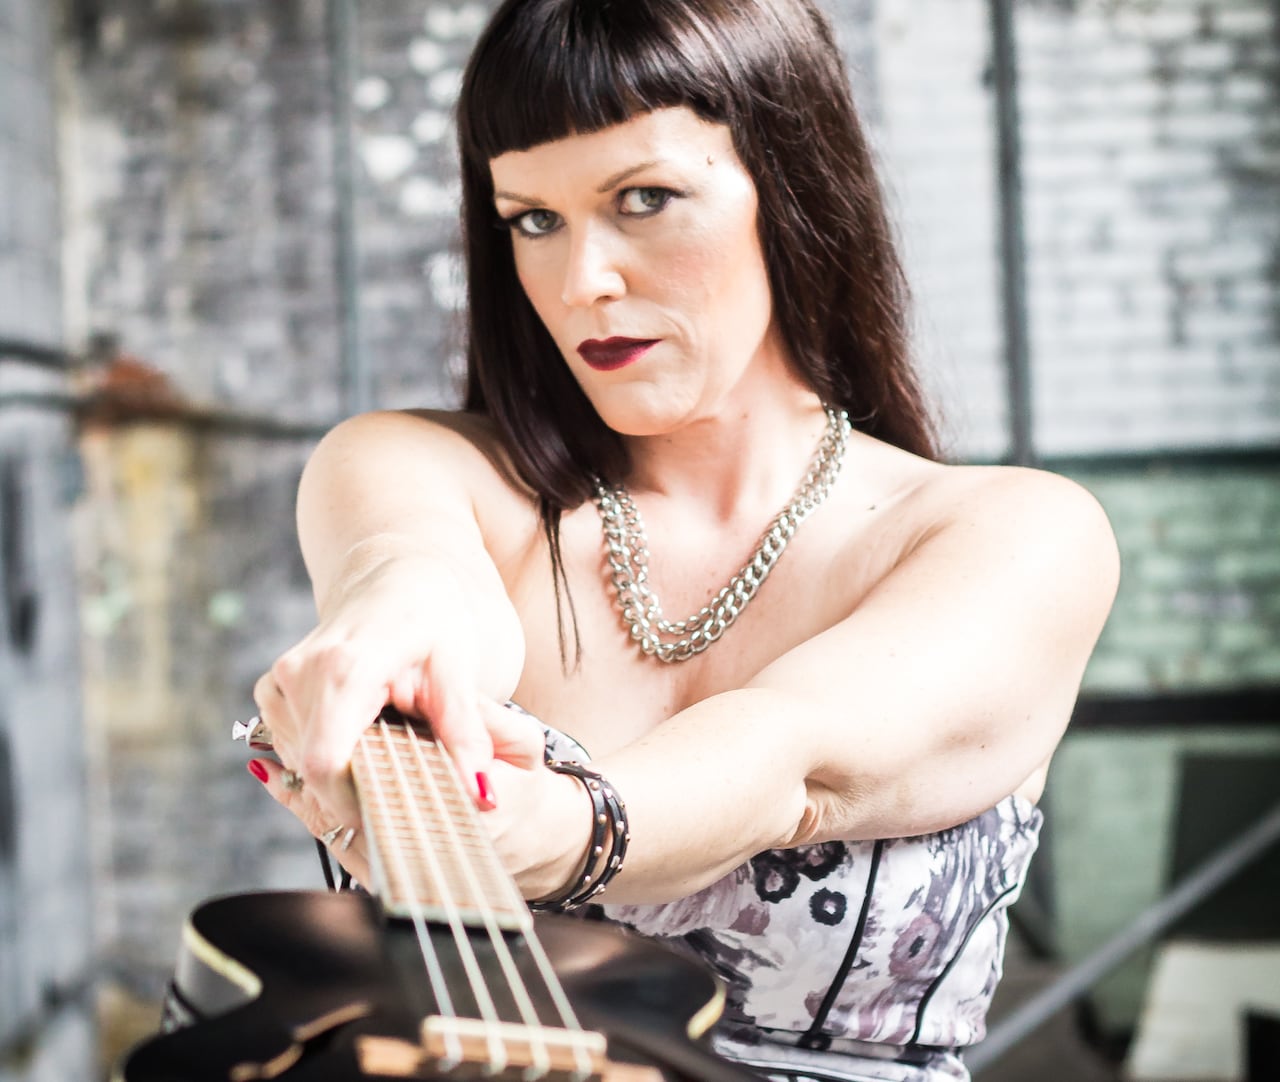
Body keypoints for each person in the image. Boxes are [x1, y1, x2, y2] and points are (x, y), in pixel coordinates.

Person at [246, 1, 1119, 1079]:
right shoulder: (422, 464)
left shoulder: (1008, 533)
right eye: (531, 219)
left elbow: (791, 758)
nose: (579, 284)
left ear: (792, 190)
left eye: (644, 199)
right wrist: (387, 629)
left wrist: (568, 831)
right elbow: (416, 574)